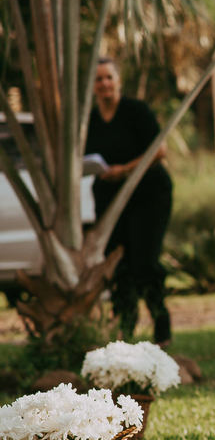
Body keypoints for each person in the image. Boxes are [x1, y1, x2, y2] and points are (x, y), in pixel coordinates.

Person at [86, 57, 173, 345]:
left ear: (118, 81)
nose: (104, 84)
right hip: (110, 197)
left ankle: (161, 325)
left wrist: (123, 170)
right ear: (93, 86)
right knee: (118, 262)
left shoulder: (136, 111)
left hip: (148, 194)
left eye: (109, 77)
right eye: (98, 79)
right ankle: (125, 325)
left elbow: (160, 150)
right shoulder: (90, 121)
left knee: (144, 262)